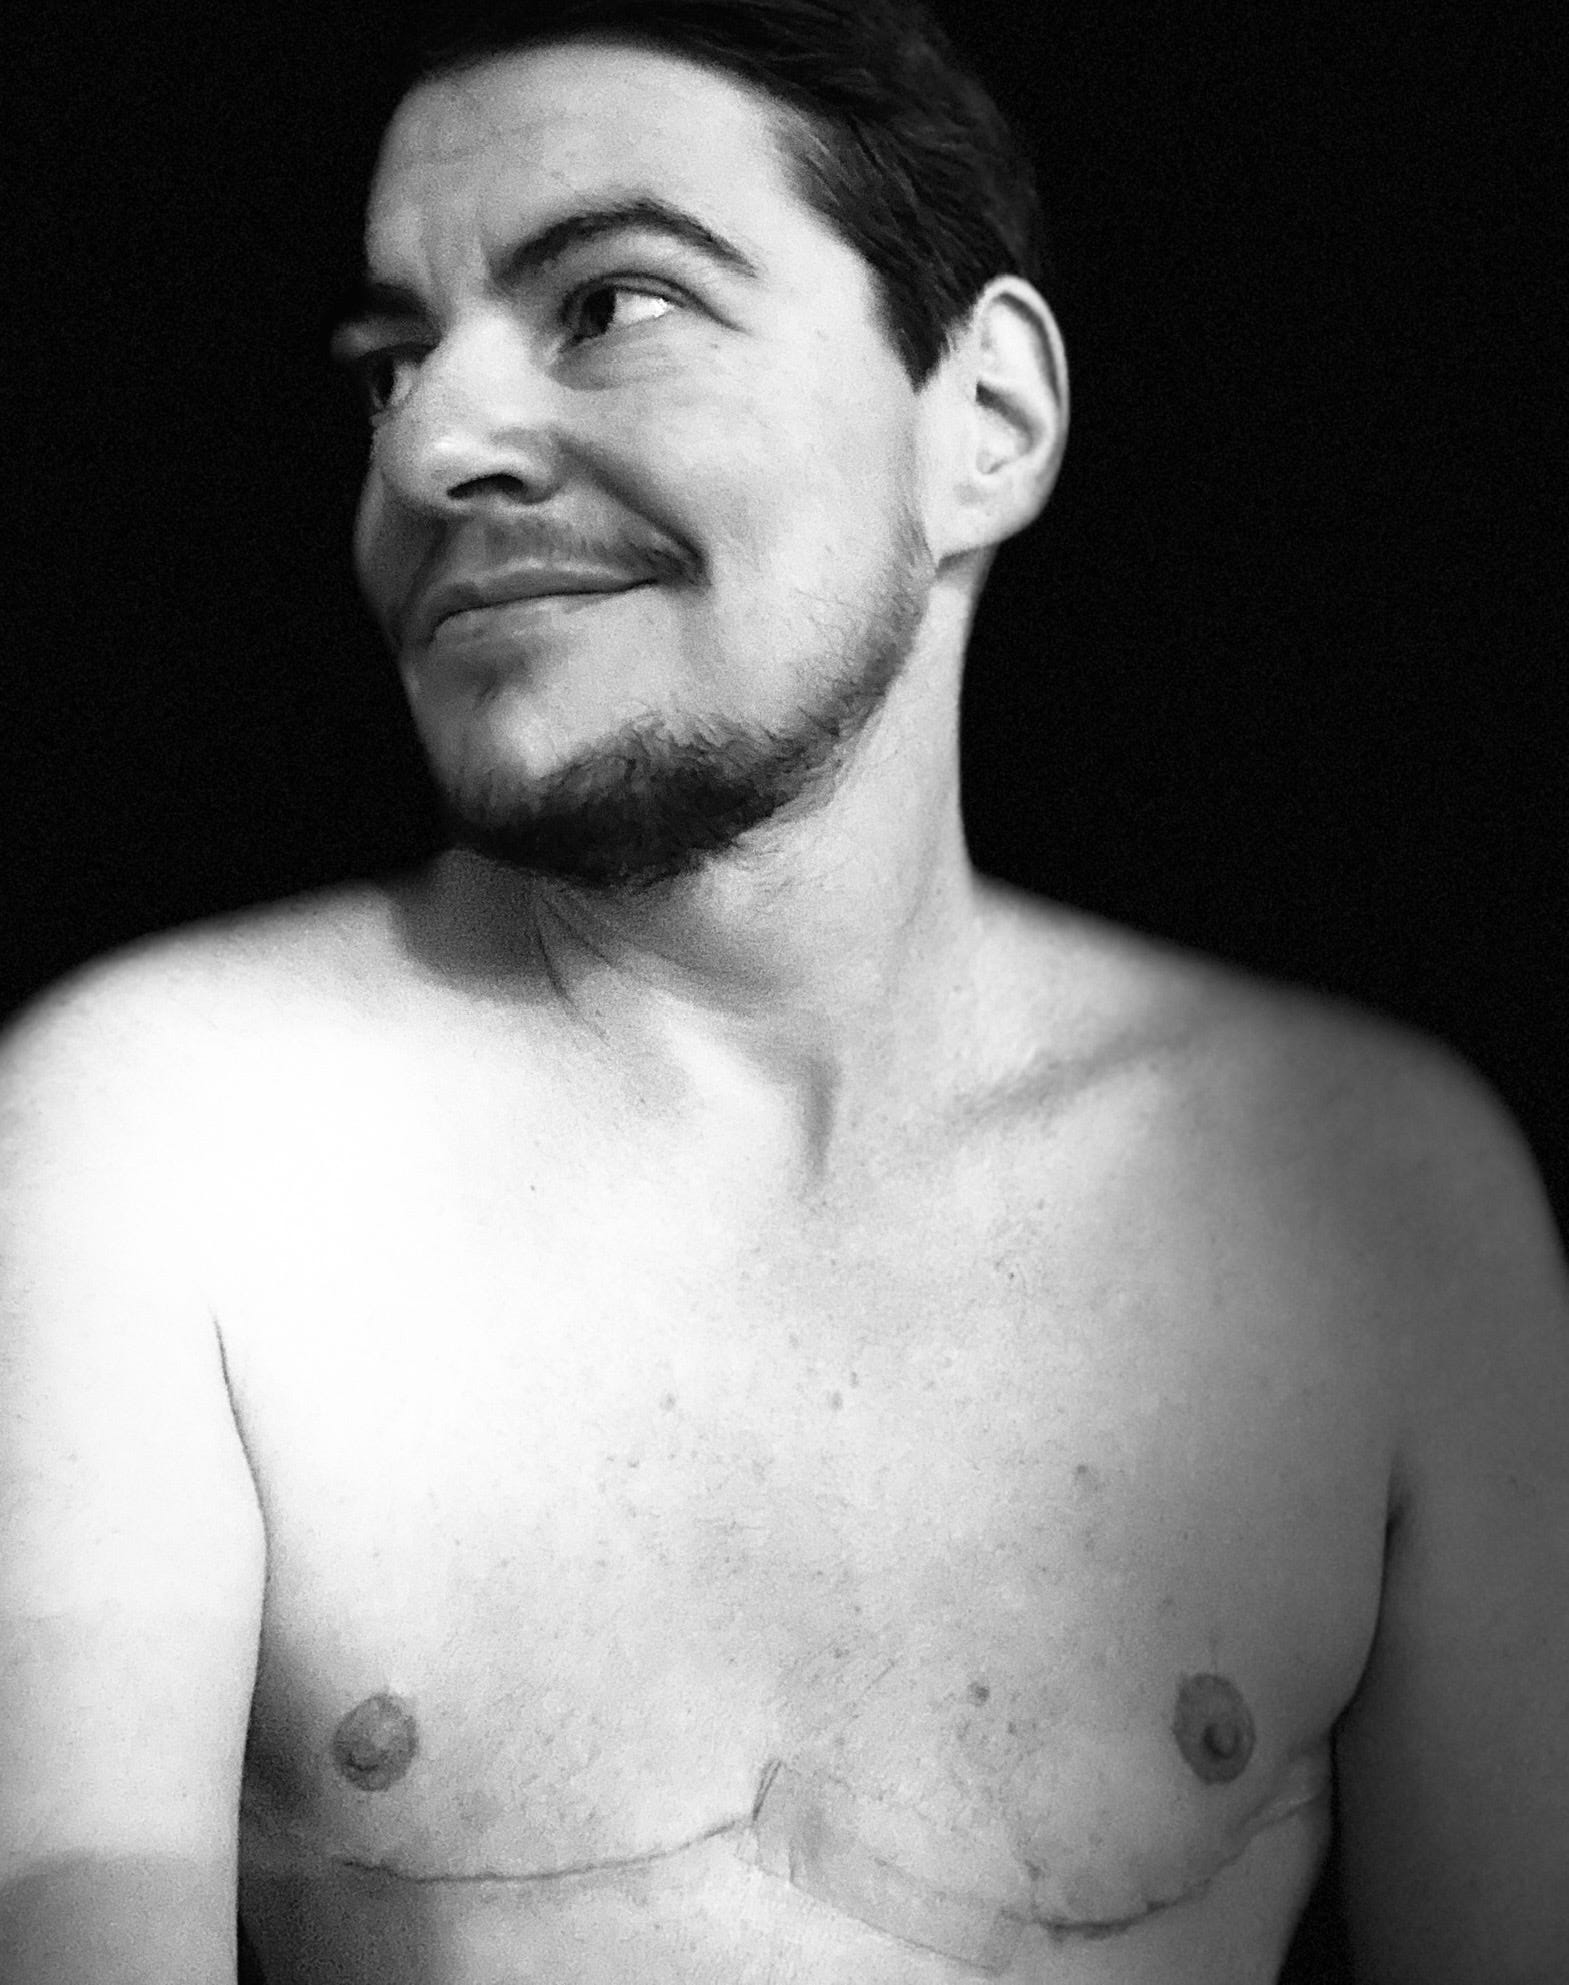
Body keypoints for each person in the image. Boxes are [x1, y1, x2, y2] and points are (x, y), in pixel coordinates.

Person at [3, 0, 1568, 1978]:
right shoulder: (152, 1150)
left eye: (610, 303)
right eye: (391, 367)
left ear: (983, 419)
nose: (428, 446)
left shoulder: (1380, 1195)